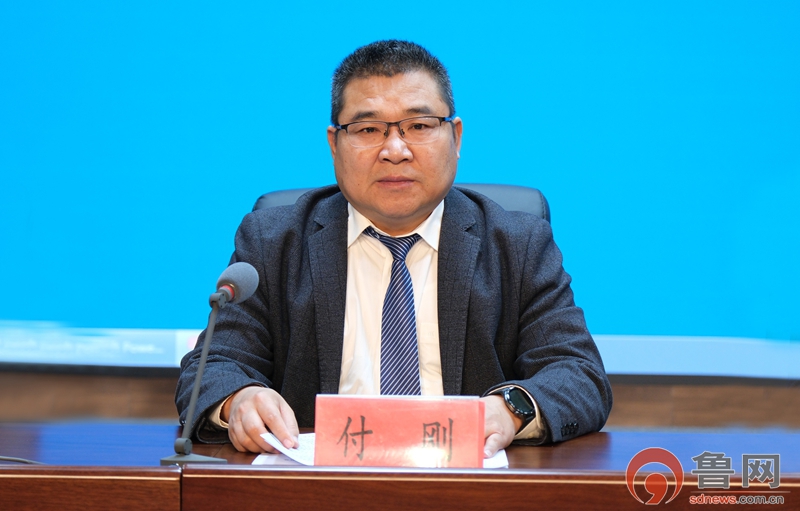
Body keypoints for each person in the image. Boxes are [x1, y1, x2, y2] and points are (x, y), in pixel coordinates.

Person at [176, 40, 612, 458]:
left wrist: (509, 409)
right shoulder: (273, 241)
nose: (395, 150)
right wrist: (240, 399)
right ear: (334, 145)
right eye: (368, 129)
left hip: (466, 485)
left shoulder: (518, 243)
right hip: (319, 488)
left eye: (419, 126)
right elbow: (211, 368)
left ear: (456, 137)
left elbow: (579, 375)